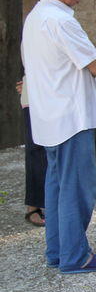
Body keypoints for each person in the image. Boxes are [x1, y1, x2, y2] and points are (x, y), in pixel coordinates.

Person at [22, 0, 96, 273]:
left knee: (57, 186)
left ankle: (58, 251)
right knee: (77, 188)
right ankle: (76, 256)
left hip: (49, 117)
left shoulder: (35, 18)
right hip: (72, 117)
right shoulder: (61, 20)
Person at [16, 78, 47, 227]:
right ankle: (34, 205)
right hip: (35, 93)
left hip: (60, 91)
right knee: (36, 148)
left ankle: (60, 203)